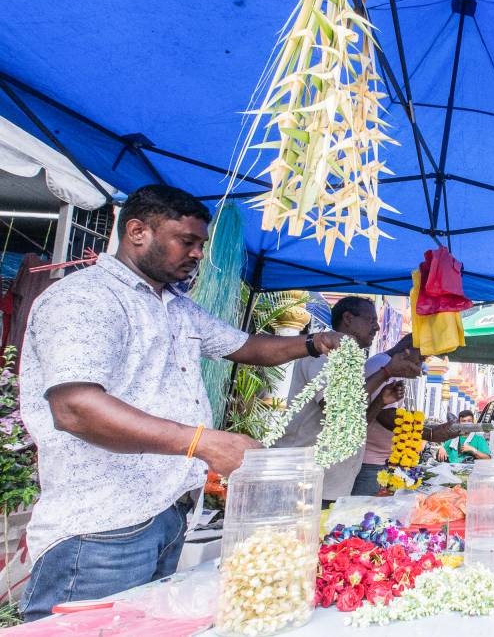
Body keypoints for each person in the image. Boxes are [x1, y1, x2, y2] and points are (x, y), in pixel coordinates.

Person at [17, 185, 348, 621]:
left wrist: (312, 342)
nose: (196, 255)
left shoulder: (175, 306)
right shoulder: (86, 298)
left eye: (201, 245)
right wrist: (201, 443)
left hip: (166, 512)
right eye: (186, 242)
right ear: (137, 232)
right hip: (100, 528)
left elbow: (246, 346)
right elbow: (75, 407)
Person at [274, 298, 419, 505]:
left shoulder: (351, 362)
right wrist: (386, 372)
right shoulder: (321, 355)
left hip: (335, 482)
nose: (377, 327)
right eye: (371, 320)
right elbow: (338, 409)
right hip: (307, 479)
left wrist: (380, 401)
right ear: (348, 319)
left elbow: (355, 425)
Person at [351, 336, 458, 495]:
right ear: (408, 349)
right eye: (421, 358)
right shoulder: (382, 365)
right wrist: (430, 433)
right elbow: (385, 416)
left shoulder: (391, 367)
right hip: (370, 463)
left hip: (382, 461)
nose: (421, 365)